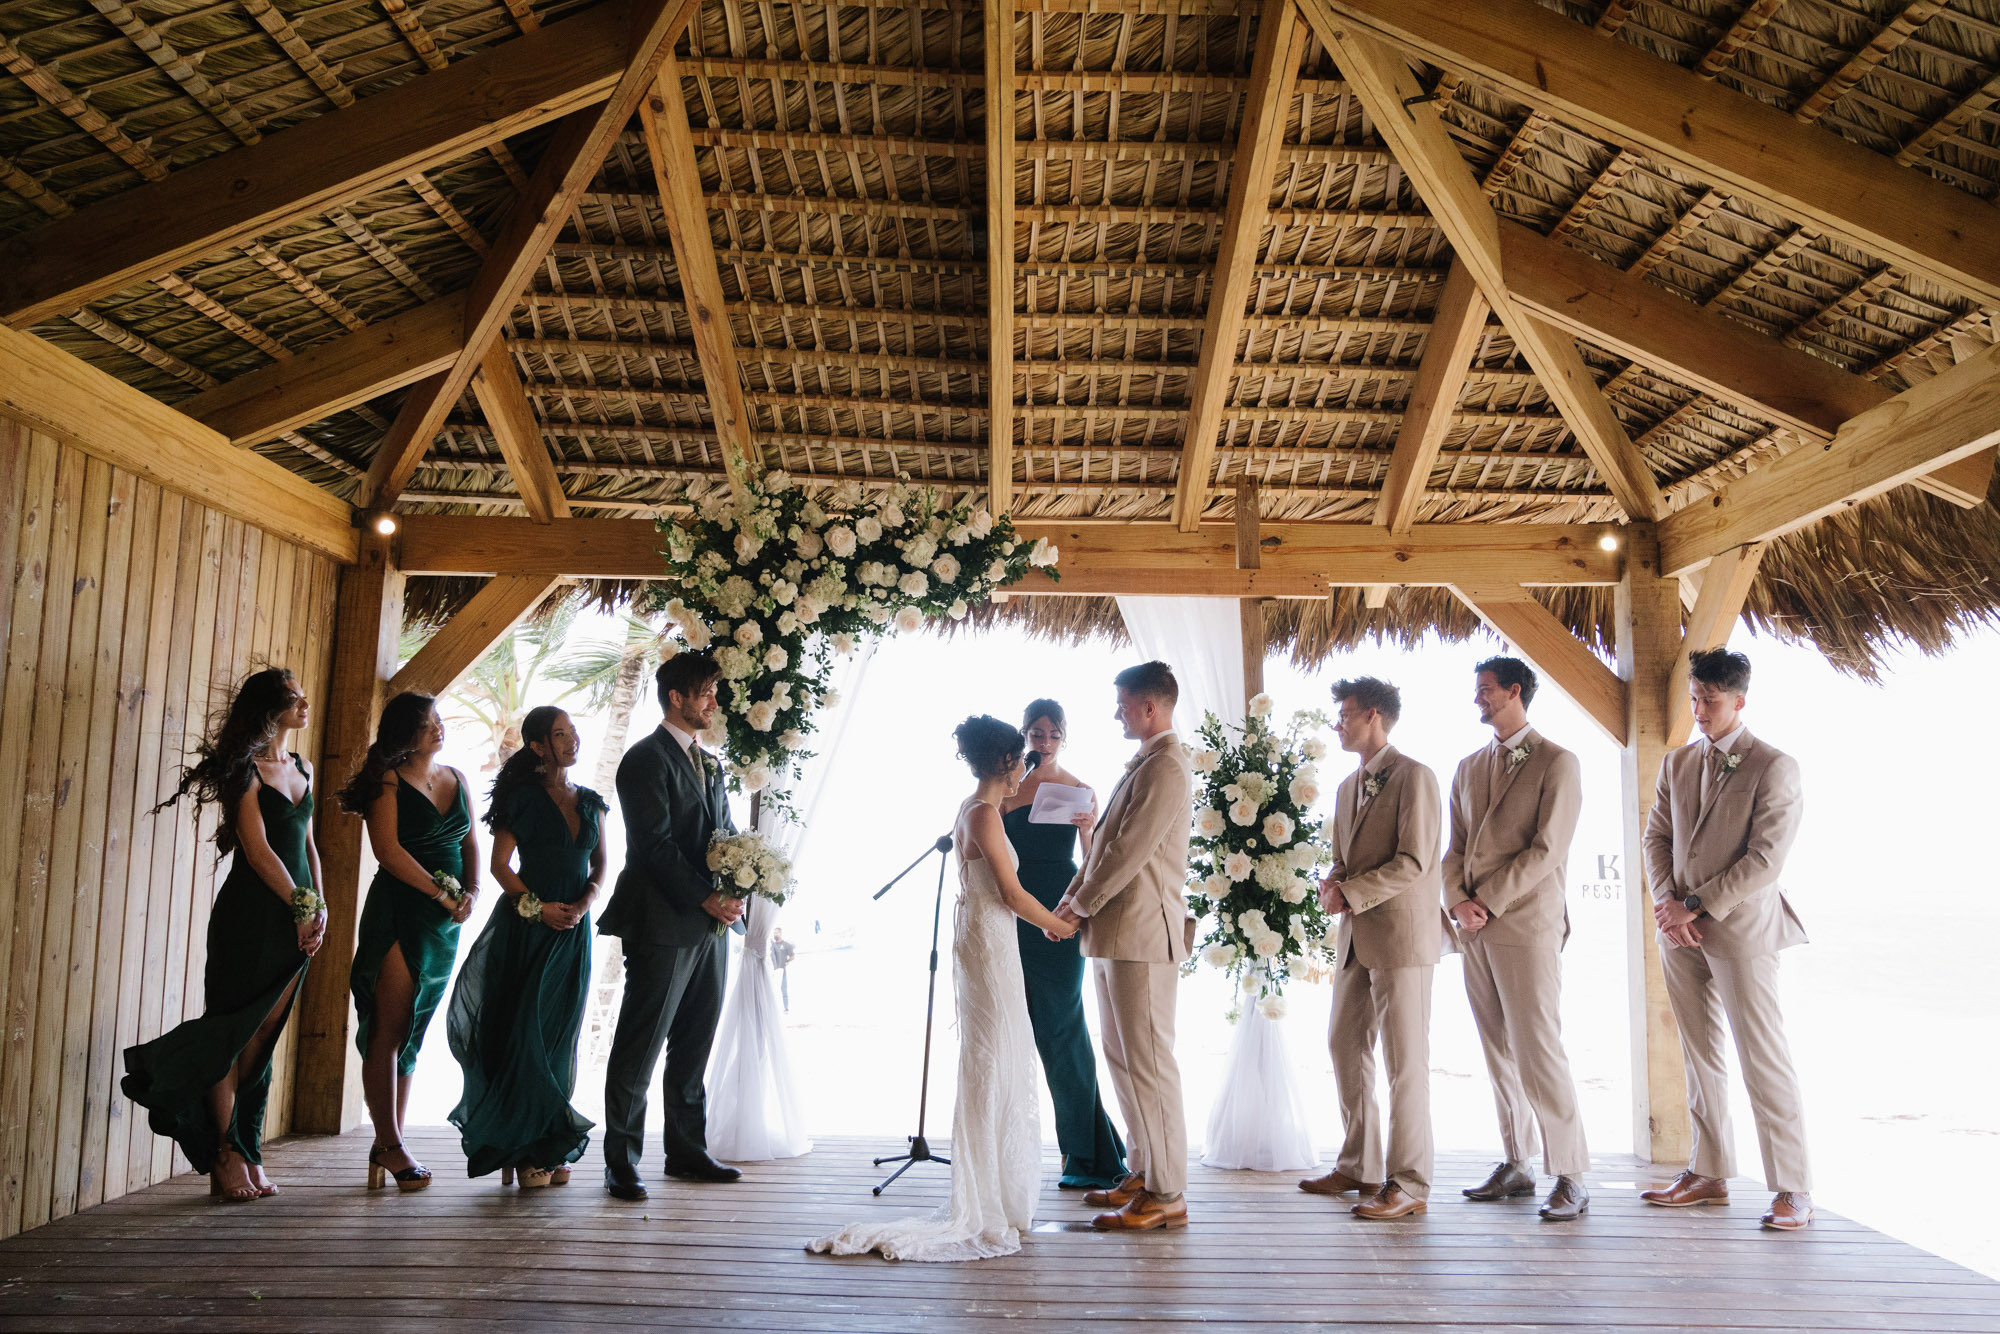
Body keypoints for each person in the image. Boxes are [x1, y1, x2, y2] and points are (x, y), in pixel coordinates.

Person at [809, 716, 1077, 1261]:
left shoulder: (973, 810)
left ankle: (996, 1187)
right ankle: (986, 1198)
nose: (1027, 763)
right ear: (1006, 762)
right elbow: (1010, 891)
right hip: (990, 939)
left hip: (983, 936)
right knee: (994, 1052)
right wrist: (1059, 923)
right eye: (1021, 757)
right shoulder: (982, 815)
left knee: (996, 1050)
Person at [123, 668, 326, 1202]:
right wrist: (300, 905)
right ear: (267, 706)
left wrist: (318, 907)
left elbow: (308, 846)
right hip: (251, 916)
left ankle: (248, 1148)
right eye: (293, 697)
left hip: (299, 918)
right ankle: (225, 1155)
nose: (304, 704)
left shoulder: (301, 766)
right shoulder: (243, 769)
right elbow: (257, 850)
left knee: (265, 1035)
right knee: (232, 1032)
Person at [1641, 648, 1814, 1230]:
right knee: (1699, 1056)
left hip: (1742, 933)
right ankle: (1709, 1172)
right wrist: (1668, 905)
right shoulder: (1676, 764)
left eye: (1709, 701)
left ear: (1739, 700)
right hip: (1679, 934)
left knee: (1762, 1060)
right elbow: (1656, 838)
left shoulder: (1774, 765)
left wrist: (1693, 905)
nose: (1699, 710)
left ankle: (1793, 1188)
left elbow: (1765, 861)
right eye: (1693, 699)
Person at [1442, 657, 1590, 1221]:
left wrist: (1489, 901)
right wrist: (1456, 899)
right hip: (1473, 929)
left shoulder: (1559, 762)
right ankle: (1517, 1162)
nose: (1477, 699)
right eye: (1476, 690)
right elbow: (1453, 848)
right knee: (1497, 1050)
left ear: (1515, 691)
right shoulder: (1467, 766)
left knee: (1539, 1048)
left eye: (1485, 691)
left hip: (1526, 924)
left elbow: (1548, 849)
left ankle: (1571, 1174)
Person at [1052, 661, 1195, 1232]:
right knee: (1123, 1059)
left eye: (1122, 703)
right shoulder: (1145, 764)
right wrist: (1070, 902)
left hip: (1142, 932)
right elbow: (1101, 849)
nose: (1116, 712)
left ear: (1150, 708)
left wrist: (1077, 905)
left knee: (1152, 1062)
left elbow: (1127, 852)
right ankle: (1143, 1170)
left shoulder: (1168, 767)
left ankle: (1169, 1192)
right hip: (1112, 933)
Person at [597, 652, 742, 1200]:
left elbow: (723, 835)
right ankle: (621, 1161)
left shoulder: (713, 763)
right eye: (704, 692)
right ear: (675, 698)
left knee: (694, 1041)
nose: (713, 701)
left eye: (714, 692)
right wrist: (706, 896)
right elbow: (651, 845)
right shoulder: (643, 759)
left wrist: (738, 887)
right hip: (661, 922)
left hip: (710, 926)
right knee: (641, 1043)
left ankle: (685, 1150)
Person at [1304, 676, 1445, 1221]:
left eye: (1346, 714)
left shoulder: (1417, 777)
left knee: (1404, 1063)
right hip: (1354, 939)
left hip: (1403, 939)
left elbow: (1416, 861)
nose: (1338, 723)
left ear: (1375, 717)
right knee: (1343, 1044)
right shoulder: (1345, 787)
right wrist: (1331, 882)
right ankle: (1360, 1164)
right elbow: (1344, 859)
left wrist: (1352, 891)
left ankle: (1409, 1183)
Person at [446, 706, 604, 1188]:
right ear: (537, 746)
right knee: (522, 1033)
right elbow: (499, 867)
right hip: (528, 928)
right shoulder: (521, 798)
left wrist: (581, 905)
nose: (572, 740)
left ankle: (548, 1142)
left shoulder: (592, 800)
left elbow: (600, 867)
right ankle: (519, 1149)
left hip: (574, 931)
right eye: (560, 734)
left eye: (573, 732)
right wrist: (541, 909)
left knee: (559, 1034)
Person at [339, 691, 478, 1192]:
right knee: (389, 1029)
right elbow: (389, 851)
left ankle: (389, 1141)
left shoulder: (457, 778)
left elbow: (468, 843)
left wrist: (473, 893)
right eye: (424, 724)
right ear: (404, 733)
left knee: (414, 1034)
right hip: (401, 914)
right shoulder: (388, 780)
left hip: (445, 925)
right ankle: (390, 1142)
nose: (436, 728)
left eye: (437, 719)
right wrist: (444, 895)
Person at [1000, 698, 1128, 1192]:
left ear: (1064, 737)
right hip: (1009, 911)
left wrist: (1088, 831)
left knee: (1061, 1028)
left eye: (1053, 733)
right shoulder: (1008, 788)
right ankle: (1019, 1148)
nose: (1044, 741)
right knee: (1015, 1028)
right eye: (1036, 732)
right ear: (1025, 734)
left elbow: (1094, 865)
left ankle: (1084, 1151)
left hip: (1058, 911)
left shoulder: (1079, 789)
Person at [770, 928, 796, 1011]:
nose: (775, 934)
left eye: (777, 933)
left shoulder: (786, 945)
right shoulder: (772, 945)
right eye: (774, 933)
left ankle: (786, 1008)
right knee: (772, 991)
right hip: (772, 972)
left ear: (781, 933)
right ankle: (773, 1009)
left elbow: (792, 956)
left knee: (784, 990)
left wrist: (787, 962)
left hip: (782, 972)